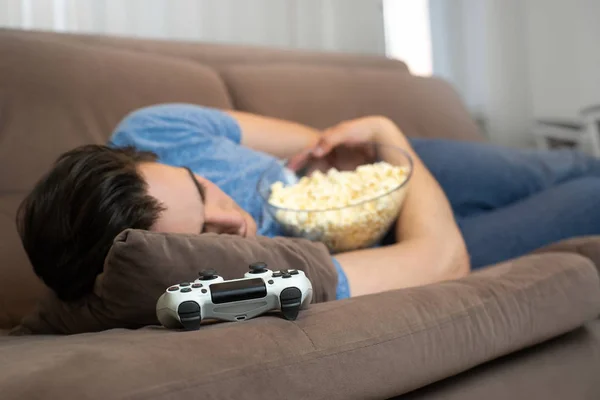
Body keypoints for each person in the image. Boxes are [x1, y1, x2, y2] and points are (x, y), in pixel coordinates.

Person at [16, 104, 600, 303]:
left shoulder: (155, 130)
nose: (234, 219)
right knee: (589, 195)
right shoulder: (242, 286)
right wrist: (387, 132)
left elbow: (308, 140)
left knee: (564, 163)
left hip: (373, 171)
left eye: (200, 187)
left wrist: (347, 162)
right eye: (206, 237)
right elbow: (443, 259)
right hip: (402, 239)